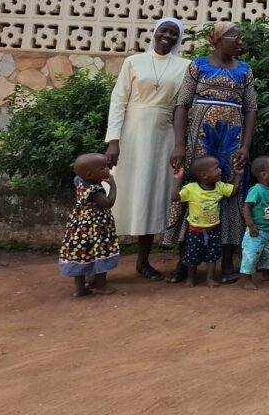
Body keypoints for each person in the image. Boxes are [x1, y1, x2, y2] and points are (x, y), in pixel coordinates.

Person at [164, 22, 257, 283]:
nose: (240, 42)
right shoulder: (198, 66)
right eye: (235, 37)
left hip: (232, 142)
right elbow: (182, 105)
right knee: (193, 193)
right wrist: (179, 145)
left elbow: (251, 109)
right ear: (218, 39)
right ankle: (185, 262)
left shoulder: (244, 70)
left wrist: (245, 146)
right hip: (199, 143)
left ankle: (226, 262)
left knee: (229, 195)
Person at [104, 17, 189, 280]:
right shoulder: (134, 61)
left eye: (173, 33)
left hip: (163, 137)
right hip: (131, 135)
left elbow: (182, 107)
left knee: (150, 197)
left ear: (179, 39)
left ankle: (142, 261)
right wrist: (113, 140)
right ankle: (99, 261)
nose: (167, 36)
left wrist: (179, 144)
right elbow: (118, 100)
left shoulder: (185, 66)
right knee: (118, 196)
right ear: (154, 33)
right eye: (164, 30)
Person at [172, 154, 242, 288]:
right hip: (194, 231)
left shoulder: (219, 186)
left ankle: (210, 278)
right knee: (191, 256)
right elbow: (175, 197)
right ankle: (190, 279)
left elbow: (233, 191)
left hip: (213, 230)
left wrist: (238, 175)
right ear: (204, 175)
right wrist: (178, 179)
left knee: (212, 256)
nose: (220, 170)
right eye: (217, 168)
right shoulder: (191, 188)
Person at [58, 153, 119, 298]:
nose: (108, 169)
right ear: (90, 175)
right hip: (96, 228)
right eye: (103, 168)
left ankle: (80, 289)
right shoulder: (93, 190)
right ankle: (100, 285)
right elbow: (107, 203)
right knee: (100, 251)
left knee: (81, 255)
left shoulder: (80, 181)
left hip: (80, 228)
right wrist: (113, 186)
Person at [240, 155, 269, 291]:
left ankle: (266, 273)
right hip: (256, 231)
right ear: (264, 175)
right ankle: (247, 279)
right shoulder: (256, 190)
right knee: (251, 254)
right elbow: (246, 207)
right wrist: (251, 225)